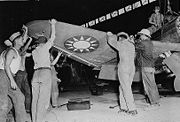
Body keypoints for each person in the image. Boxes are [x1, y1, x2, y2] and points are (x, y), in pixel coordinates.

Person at [0, 31, 29, 122]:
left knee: (19, 97)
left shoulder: (16, 52)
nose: (23, 40)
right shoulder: (11, 51)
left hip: (8, 76)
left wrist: (26, 32)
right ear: (16, 41)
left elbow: (21, 68)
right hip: (4, 75)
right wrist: (12, 81)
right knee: (3, 103)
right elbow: (6, 66)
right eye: (21, 39)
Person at [31, 19, 56, 122]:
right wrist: (53, 25)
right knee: (43, 99)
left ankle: (35, 119)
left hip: (35, 74)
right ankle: (40, 120)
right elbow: (53, 37)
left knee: (35, 99)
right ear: (44, 42)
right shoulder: (45, 48)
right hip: (45, 72)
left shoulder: (33, 51)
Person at [107, 31, 137, 116]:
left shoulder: (121, 44)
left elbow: (111, 41)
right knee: (123, 87)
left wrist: (110, 35)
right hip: (132, 68)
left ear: (120, 38)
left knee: (126, 88)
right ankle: (123, 107)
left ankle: (132, 109)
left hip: (124, 68)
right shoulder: (132, 45)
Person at [135, 29, 160, 108]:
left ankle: (154, 103)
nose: (140, 36)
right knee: (152, 85)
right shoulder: (150, 43)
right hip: (150, 66)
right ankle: (154, 101)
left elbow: (135, 46)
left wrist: (132, 39)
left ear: (145, 36)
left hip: (146, 67)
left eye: (141, 35)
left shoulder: (143, 43)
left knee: (149, 85)